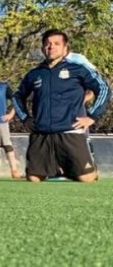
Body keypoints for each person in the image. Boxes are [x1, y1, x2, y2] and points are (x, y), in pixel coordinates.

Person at [12, 29, 109, 183]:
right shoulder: (34, 74)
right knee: (33, 178)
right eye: (47, 44)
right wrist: (25, 118)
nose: (51, 47)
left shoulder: (78, 69)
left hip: (70, 131)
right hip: (41, 133)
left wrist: (92, 116)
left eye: (57, 44)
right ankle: (57, 169)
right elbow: (17, 97)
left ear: (65, 48)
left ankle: (83, 169)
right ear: (43, 48)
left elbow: (103, 88)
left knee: (87, 179)